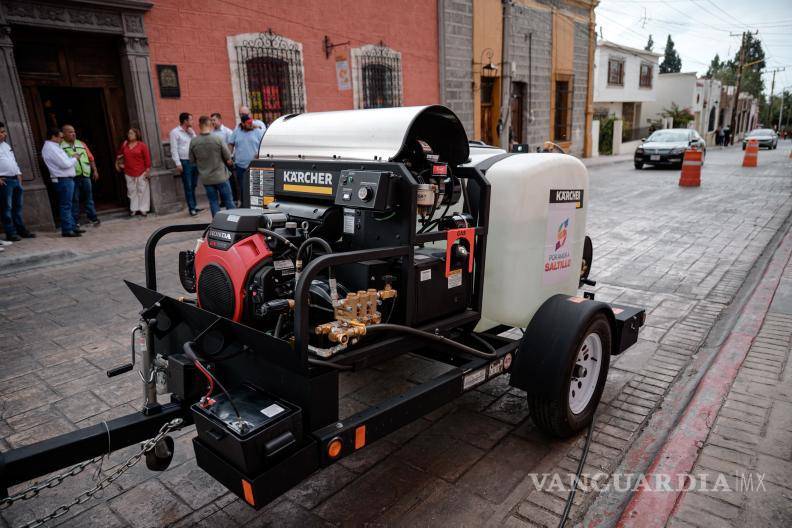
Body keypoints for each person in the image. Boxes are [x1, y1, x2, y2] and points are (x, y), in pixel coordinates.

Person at [189, 116, 234, 217]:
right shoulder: (217, 138)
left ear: (199, 125)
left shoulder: (194, 141)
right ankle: (232, 223)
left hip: (206, 178)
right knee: (229, 201)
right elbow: (227, 156)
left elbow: (191, 160)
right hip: (221, 176)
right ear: (209, 125)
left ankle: (217, 224)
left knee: (213, 202)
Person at [42, 128, 82, 237]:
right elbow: (65, 164)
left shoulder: (54, 147)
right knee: (66, 205)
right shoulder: (51, 148)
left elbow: (64, 162)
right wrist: (75, 158)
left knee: (70, 204)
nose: (62, 139)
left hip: (66, 179)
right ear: (53, 137)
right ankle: (67, 229)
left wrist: (70, 159)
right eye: (61, 137)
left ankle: (73, 227)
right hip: (63, 180)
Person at [0, 121, 35, 243]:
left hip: (15, 179)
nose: (4, 134)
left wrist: (19, 173)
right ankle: (11, 233)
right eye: (1, 132)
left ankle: (21, 230)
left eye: (3, 131)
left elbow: (12, 161)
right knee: (6, 208)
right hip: (4, 182)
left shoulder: (6, 145)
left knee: (17, 207)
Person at [61, 124, 100, 227]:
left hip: (85, 175)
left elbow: (90, 157)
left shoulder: (81, 143)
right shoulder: (61, 146)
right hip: (72, 177)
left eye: (74, 131)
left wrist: (95, 170)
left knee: (89, 197)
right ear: (63, 134)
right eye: (70, 132)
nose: (73, 134)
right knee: (74, 199)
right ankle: (75, 221)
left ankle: (93, 218)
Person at [229, 113, 265, 207]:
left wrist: (260, 153)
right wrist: (230, 155)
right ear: (243, 124)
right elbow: (231, 143)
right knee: (242, 186)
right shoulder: (236, 132)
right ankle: (245, 205)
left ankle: (257, 205)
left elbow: (264, 144)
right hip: (240, 165)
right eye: (248, 123)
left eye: (251, 122)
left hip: (255, 164)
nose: (251, 124)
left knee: (256, 186)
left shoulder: (258, 131)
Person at [169, 112, 201, 216]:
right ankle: (192, 208)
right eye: (191, 120)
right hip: (184, 162)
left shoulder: (190, 132)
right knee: (188, 185)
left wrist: (192, 133)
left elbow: (196, 143)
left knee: (194, 184)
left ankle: (195, 206)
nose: (192, 121)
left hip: (193, 161)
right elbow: (173, 149)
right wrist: (178, 163)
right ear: (185, 121)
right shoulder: (175, 132)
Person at [116, 128, 152, 216]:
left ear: (137, 135)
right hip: (128, 172)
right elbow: (119, 156)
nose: (129, 135)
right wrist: (120, 164)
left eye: (132, 133)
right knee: (131, 191)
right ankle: (134, 208)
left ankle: (143, 209)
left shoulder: (142, 145)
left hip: (141, 171)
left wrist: (147, 170)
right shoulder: (125, 145)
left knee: (142, 190)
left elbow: (147, 159)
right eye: (129, 133)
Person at [211, 112, 237, 203]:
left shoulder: (227, 131)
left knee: (230, 180)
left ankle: (234, 199)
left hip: (227, 160)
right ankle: (223, 200)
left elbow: (232, 146)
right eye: (211, 120)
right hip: (217, 161)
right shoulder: (211, 133)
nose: (212, 122)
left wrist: (230, 158)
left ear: (219, 120)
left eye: (214, 120)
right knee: (220, 181)